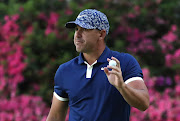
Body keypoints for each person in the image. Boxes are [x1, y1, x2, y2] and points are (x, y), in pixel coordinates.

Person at [46, 9, 149, 121]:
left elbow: (143, 103)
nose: (77, 35)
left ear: (101, 34)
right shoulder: (65, 71)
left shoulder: (124, 63)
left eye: (84, 29)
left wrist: (121, 86)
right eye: (76, 29)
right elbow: (55, 117)